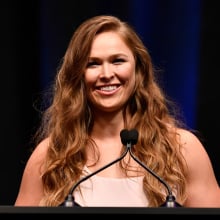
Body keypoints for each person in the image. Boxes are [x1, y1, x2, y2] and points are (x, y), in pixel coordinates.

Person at [14, 15, 220, 207]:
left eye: (117, 61)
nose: (106, 74)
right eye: (92, 64)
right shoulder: (51, 155)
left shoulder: (182, 149)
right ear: (78, 75)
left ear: (138, 69)